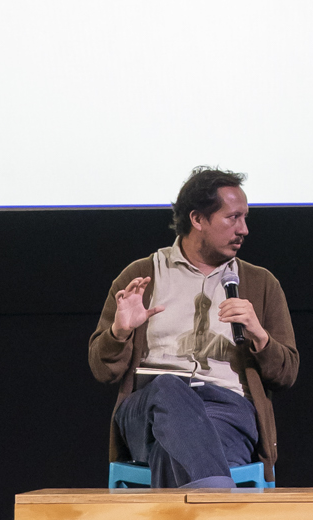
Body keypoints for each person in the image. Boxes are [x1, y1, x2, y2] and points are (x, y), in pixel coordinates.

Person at [89, 167, 298, 487]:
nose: (244, 229)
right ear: (198, 219)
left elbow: (287, 374)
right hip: (147, 410)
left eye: (245, 218)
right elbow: (103, 370)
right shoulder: (141, 276)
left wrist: (260, 337)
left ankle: (203, 502)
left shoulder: (261, 283)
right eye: (233, 218)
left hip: (226, 411)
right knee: (168, 387)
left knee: (169, 452)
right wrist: (119, 333)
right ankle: (219, 502)